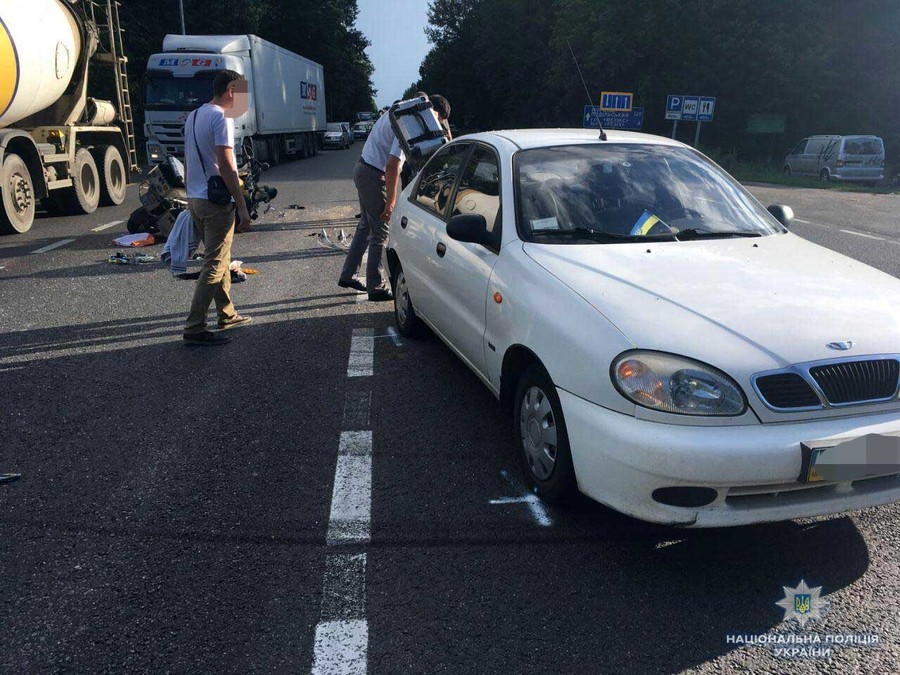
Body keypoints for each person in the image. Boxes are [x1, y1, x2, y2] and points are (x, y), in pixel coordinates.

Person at [339, 94, 451, 301]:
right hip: (374, 174)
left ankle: (349, 274)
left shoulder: (401, 111)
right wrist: (391, 202)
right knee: (381, 231)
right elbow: (392, 168)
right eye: (438, 121)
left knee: (365, 226)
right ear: (433, 114)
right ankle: (377, 287)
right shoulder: (409, 125)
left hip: (363, 169)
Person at [182, 70, 253, 345]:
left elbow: (187, 159)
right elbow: (226, 165)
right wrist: (242, 206)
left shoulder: (194, 116)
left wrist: (190, 195)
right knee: (215, 263)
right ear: (231, 91)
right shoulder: (222, 118)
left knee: (220, 257)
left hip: (196, 199)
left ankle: (227, 314)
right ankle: (195, 326)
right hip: (216, 202)